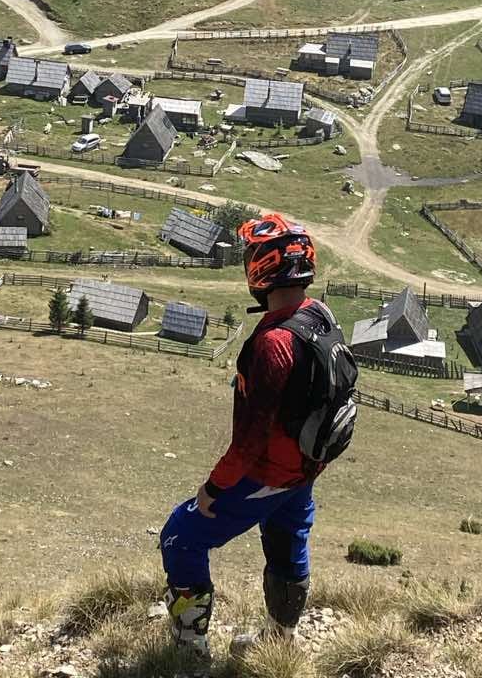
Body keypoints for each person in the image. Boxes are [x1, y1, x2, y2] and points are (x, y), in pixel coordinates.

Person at [159, 213, 355, 657]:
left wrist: (213, 488)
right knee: (288, 539)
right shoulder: (319, 313)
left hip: (270, 471)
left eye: (251, 256)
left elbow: (249, 441)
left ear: (262, 268)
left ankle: (190, 646)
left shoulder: (273, 345)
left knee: (181, 535)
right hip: (306, 465)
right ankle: (280, 642)